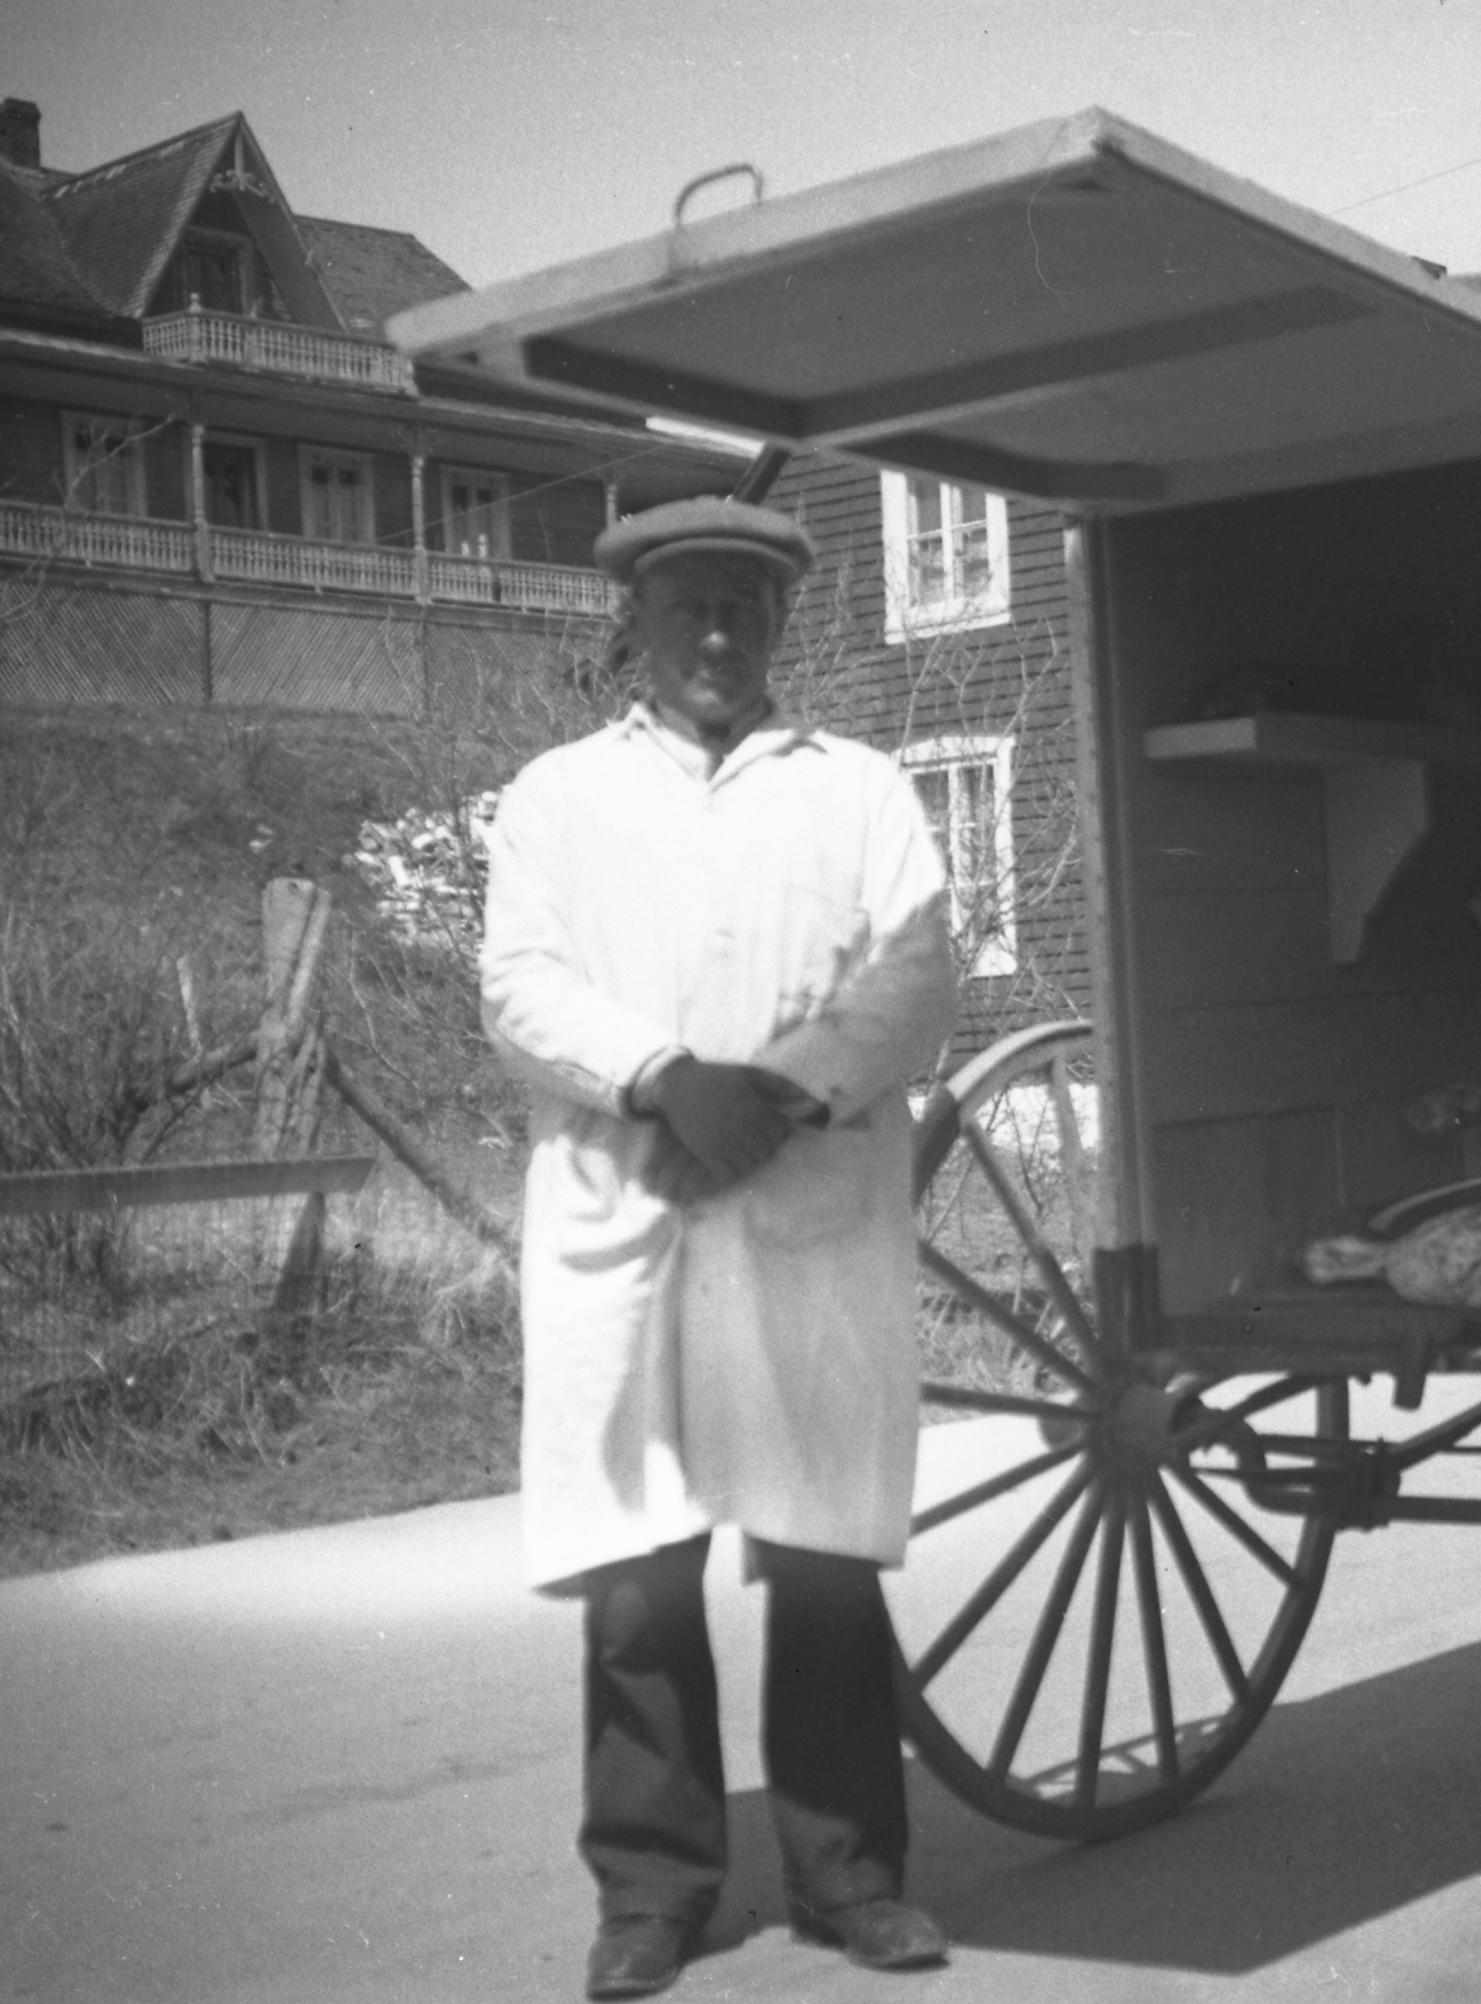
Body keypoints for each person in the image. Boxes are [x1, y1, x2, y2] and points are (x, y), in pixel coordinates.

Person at [480, 495, 965, 1999]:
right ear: (634, 622)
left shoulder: (859, 791)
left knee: (819, 1553)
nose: (713, 636)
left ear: (778, 627)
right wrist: (658, 1077)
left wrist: (776, 1094)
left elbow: (917, 974)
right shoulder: (557, 796)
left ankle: (850, 1880)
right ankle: (651, 1894)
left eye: (742, 611)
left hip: (801, 1214)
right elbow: (518, 983)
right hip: (627, 1213)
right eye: (688, 606)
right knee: (635, 1568)